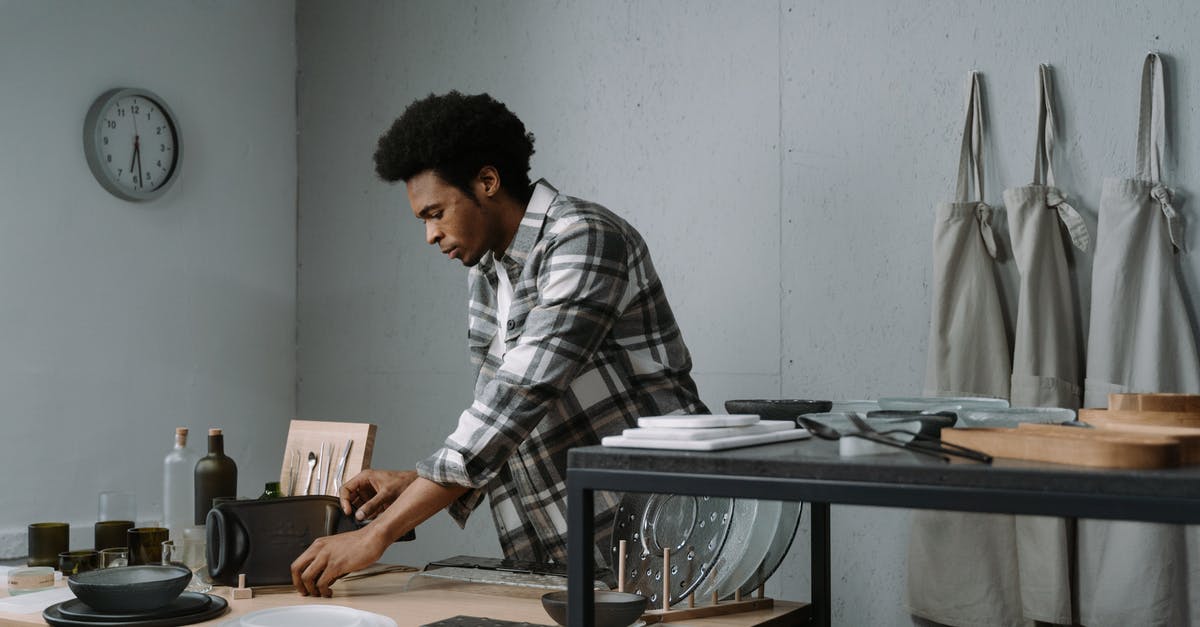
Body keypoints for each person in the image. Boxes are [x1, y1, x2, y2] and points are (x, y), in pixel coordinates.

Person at [291, 91, 707, 597]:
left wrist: (377, 534)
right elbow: (498, 421)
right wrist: (412, 485)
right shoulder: (488, 269)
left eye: (435, 213)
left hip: (658, 533)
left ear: (487, 182)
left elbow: (517, 401)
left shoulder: (586, 240)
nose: (429, 235)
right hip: (558, 549)